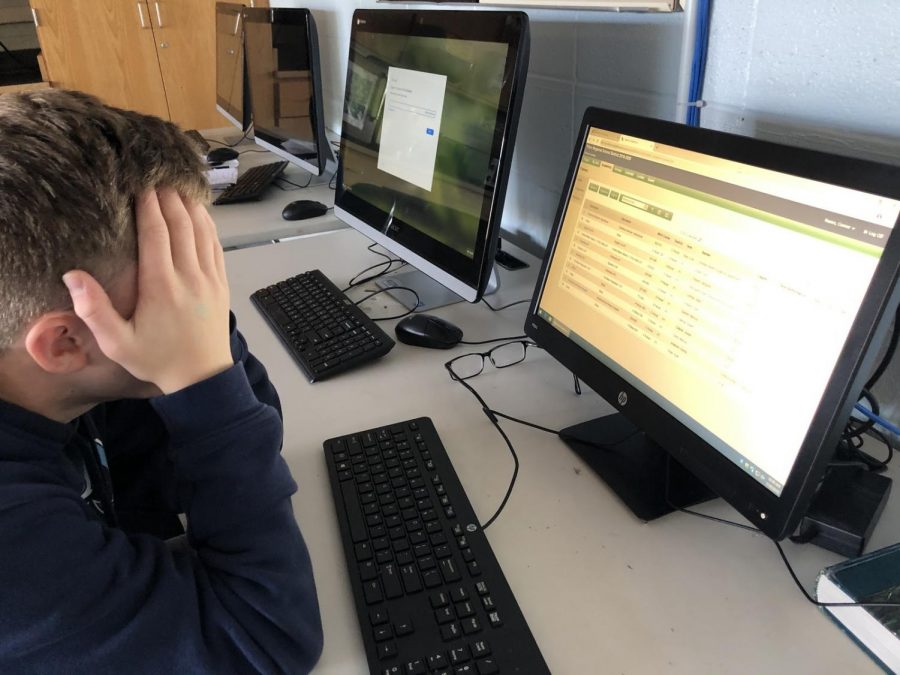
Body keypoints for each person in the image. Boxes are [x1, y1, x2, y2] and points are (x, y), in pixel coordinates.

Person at [0, 89, 323, 673]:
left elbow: (245, 436)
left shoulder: (46, 382)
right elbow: (266, 640)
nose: (191, 299)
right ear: (63, 343)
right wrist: (199, 378)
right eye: (165, 286)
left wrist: (203, 339)